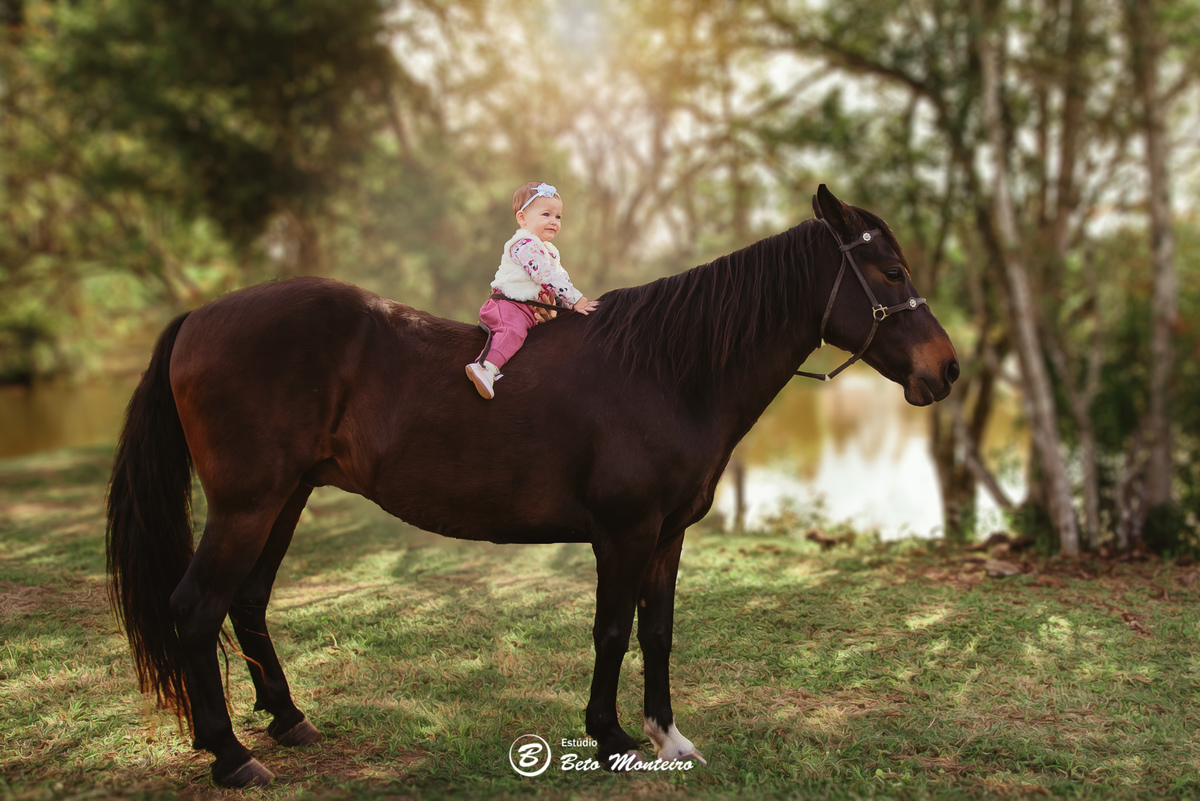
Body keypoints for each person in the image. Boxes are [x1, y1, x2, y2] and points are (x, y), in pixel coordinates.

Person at [466, 182, 598, 399]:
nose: (554, 221)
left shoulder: (550, 251)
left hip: (530, 309)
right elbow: (545, 276)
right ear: (522, 218)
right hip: (509, 304)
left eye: (558, 217)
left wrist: (571, 307)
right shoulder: (524, 244)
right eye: (546, 214)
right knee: (513, 331)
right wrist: (576, 299)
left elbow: (561, 279)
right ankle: (486, 368)